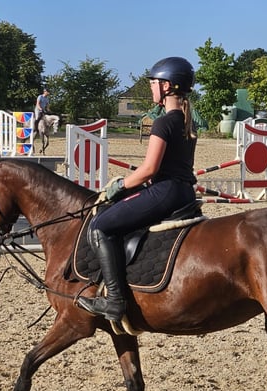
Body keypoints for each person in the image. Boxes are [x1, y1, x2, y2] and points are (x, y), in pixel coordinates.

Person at [77, 56, 198, 321]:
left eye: (154, 83)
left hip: (165, 192)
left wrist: (119, 185)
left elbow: (149, 170)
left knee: (100, 227)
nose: (151, 87)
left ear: (167, 86)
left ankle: (115, 301)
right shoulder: (188, 122)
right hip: (184, 192)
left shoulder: (163, 123)